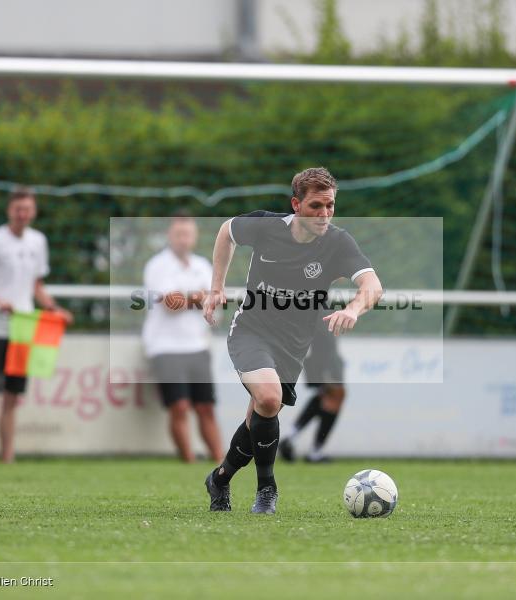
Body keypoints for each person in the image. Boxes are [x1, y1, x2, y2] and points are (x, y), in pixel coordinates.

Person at [202, 167, 383, 513]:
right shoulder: (267, 228)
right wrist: (216, 289)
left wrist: (355, 309)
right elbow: (226, 231)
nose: (324, 214)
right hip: (251, 331)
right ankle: (267, 489)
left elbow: (372, 286)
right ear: (296, 205)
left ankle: (220, 479)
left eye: (330, 206)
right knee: (269, 399)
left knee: (258, 418)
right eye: (316, 206)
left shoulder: (338, 242)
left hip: (293, 345)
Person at [0, 187, 72, 463]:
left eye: (28, 209)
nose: (23, 214)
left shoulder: (38, 242)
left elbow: (36, 285)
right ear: (10, 210)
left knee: (12, 398)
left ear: (33, 212)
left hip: (24, 331)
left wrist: (54, 308)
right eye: (18, 209)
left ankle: (7, 459)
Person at [142, 213, 223, 463]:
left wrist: (192, 299)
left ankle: (220, 462)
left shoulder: (203, 266)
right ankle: (188, 461)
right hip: (164, 347)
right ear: (170, 235)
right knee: (179, 407)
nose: (183, 239)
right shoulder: (157, 265)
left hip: (197, 345)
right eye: (179, 234)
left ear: (195, 237)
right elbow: (169, 303)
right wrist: (199, 298)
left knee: (205, 407)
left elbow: (213, 306)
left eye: (187, 234)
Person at [278, 314, 345, 463]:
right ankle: (315, 451)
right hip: (320, 338)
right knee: (335, 393)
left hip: (320, 336)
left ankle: (291, 438)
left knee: (326, 393)